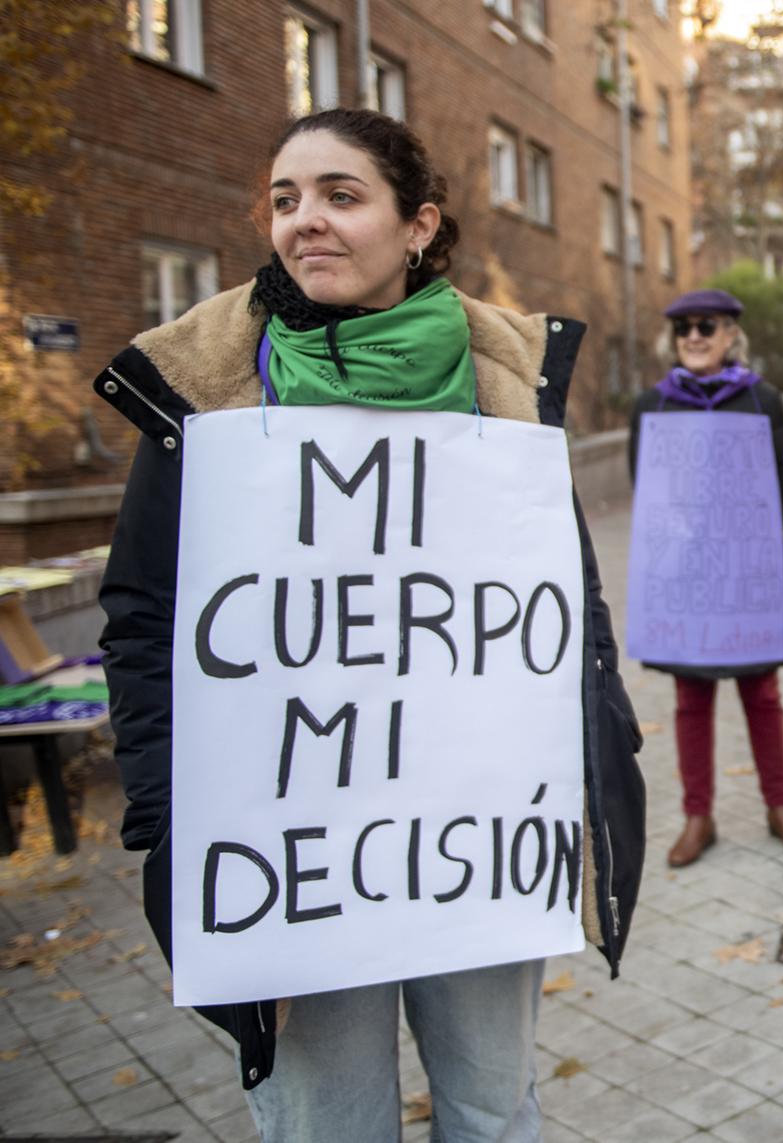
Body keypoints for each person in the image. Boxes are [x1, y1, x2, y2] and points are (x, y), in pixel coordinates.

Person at [93, 109, 646, 1140]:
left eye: (341, 196)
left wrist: (593, 748)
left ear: (418, 226)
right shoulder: (204, 396)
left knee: (491, 1110)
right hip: (286, 861)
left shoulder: (504, 389)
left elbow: (564, 604)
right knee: (325, 1125)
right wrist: (174, 819)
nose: (306, 221)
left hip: (471, 843)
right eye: (285, 199)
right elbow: (141, 621)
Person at [628, 289, 783, 868]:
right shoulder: (652, 408)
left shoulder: (763, 402)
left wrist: (739, 549)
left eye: (706, 325)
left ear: (731, 332)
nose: (694, 336)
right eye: (683, 327)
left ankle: (779, 806)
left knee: (763, 693)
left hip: (748, 570)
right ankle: (697, 816)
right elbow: (649, 494)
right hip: (684, 577)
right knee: (691, 697)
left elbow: (780, 491)